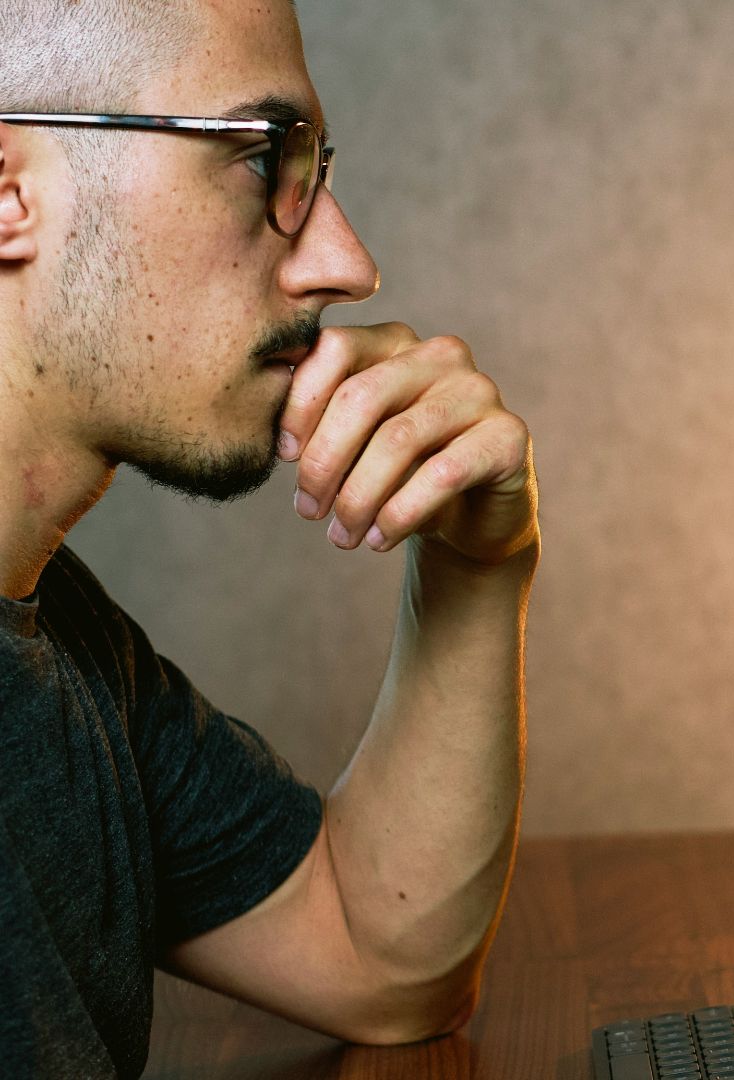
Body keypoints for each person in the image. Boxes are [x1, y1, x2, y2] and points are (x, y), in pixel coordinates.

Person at [0, 1, 537, 1075]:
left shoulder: (56, 636)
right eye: (261, 159)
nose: (347, 260)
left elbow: (378, 955)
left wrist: (479, 564)